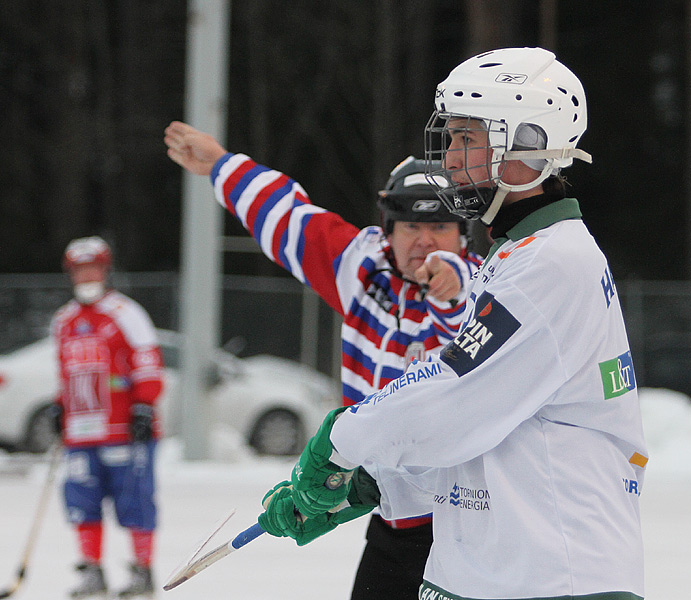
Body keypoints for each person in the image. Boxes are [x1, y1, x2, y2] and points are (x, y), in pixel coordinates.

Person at [255, 47, 648, 600]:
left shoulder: (552, 265)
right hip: (501, 571)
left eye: (468, 138)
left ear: (528, 145)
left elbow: (455, 393)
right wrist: (373, 486)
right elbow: (494, 431)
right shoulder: (520, 256)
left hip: (551, 578)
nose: (451, 159)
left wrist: (341, 441)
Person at [163, 124, 482, 600]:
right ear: (388, 231)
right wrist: (220, 165)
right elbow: (290, 220)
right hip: (392, 523)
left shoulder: (485, 290)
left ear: (462, 236)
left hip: (466, 527)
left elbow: (463, 332)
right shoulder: (361, 269)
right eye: (412, 227)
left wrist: (454, 288)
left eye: (440, 227)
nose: (425, 242)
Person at [51, 236, 164, 599]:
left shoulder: (125, 312)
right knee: (81, 500)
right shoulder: (64, 320)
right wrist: (59, 406)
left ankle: (142, 570)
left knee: (134, 499)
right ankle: (92, 570)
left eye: (93, 267)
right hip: (82, 430)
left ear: (106, 269)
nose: (87, 275)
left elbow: (148, 360)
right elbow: (66, 372)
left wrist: (144, 405)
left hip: (123, 429)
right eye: (80, 269)